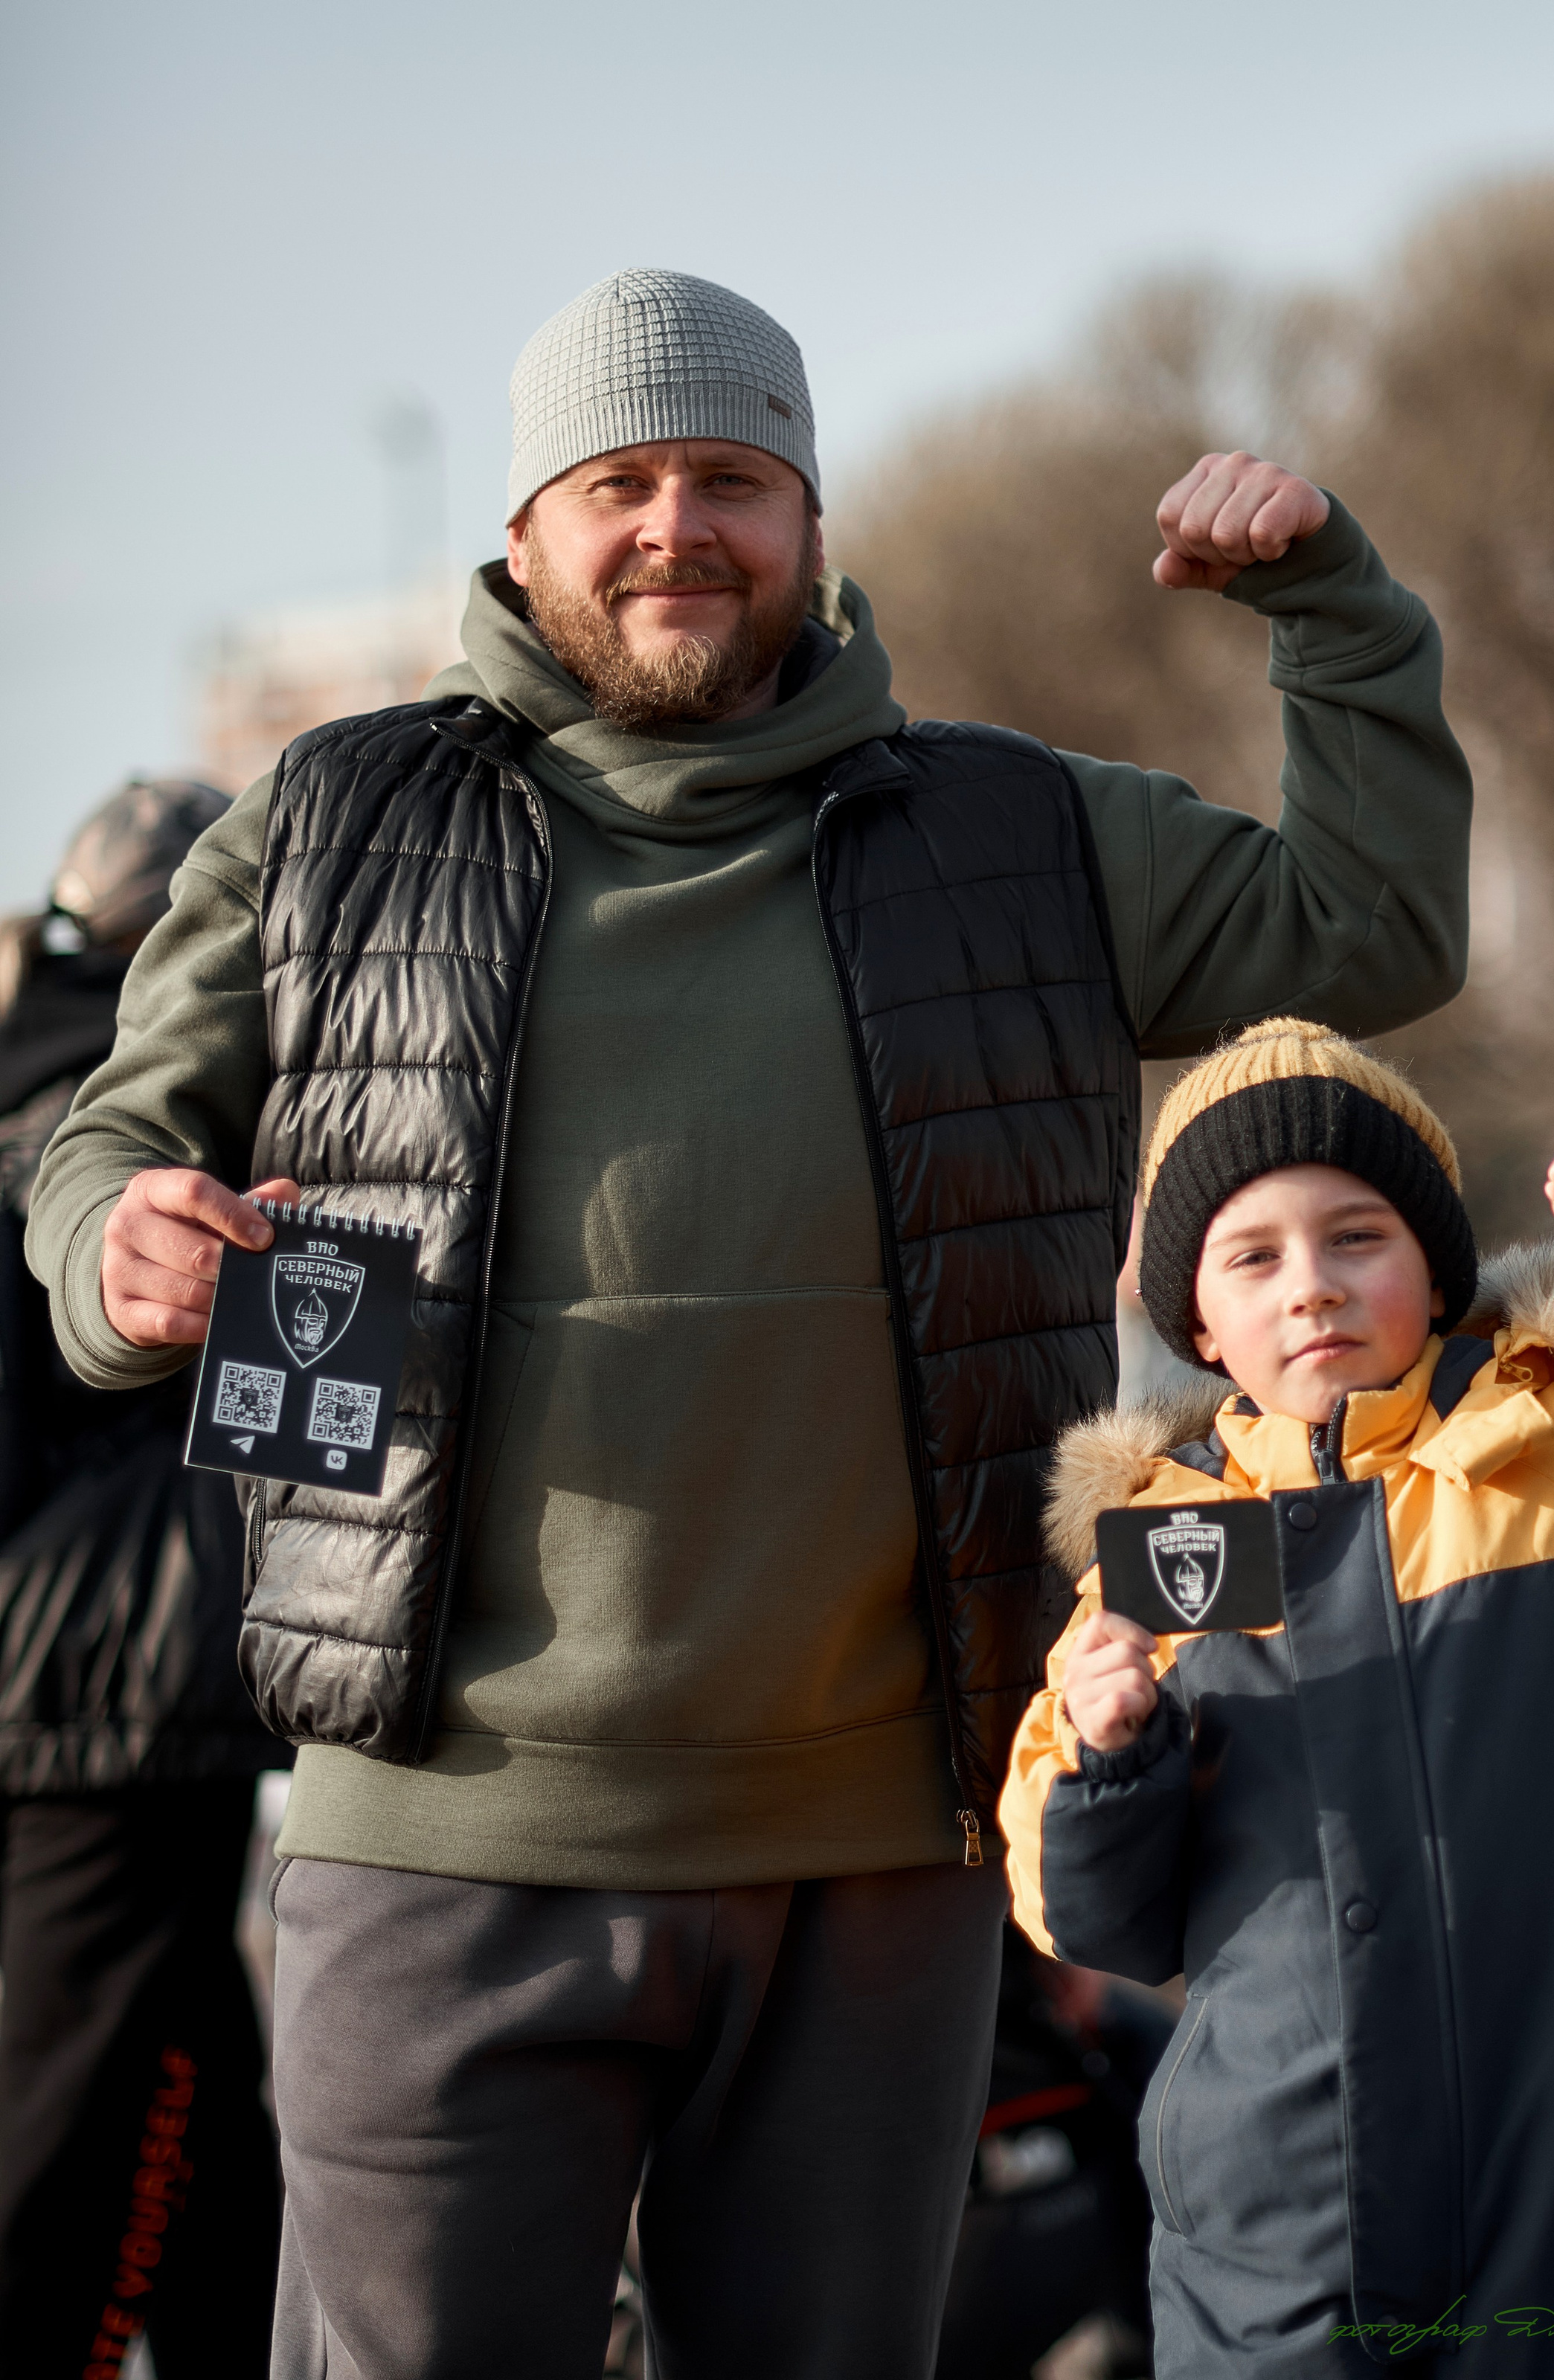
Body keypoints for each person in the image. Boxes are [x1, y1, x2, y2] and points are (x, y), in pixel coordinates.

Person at [25, 271, 1471, 2380]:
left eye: (734, 478)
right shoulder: (324, 826)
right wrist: (114, 1251)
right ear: (524, 530)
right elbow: (108, 1143)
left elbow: (1378, 927)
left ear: (809, 519)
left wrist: (1335, 611)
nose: (675, 526)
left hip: (876, 1866)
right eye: (617, 480)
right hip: (437, 1848)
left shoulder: (1020, 833)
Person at [1001, 1019, 1554, 2376]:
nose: (1311, 1287)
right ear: (1198, 1319)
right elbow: (1100, 1924)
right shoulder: (1155, 1568)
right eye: (1254, 1256)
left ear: (1435, 1265)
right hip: (1276, 2245)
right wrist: (1107, 1752)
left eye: (1356, 1236)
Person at [0, 781, 286, 2379]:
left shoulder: (14, 1077)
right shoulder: (159, 1118)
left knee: (189, 2079)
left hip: (70, 1688)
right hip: (122, 1686)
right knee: (70, 2123)